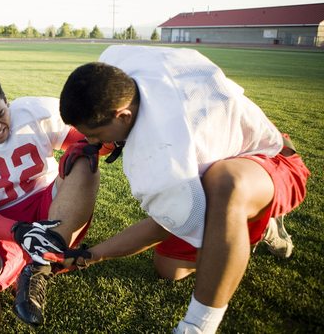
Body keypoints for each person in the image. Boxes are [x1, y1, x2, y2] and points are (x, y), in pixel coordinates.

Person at [52, 45, 310, 333]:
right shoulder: (120, 68)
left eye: (95, 134)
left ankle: (197, 326)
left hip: (271, 159)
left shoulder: (166, 153)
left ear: (123, 116)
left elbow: (162, 225)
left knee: (225, 183)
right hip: (215, 154)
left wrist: (97, 253)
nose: (91, 141)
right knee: (169, 269)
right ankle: (254, 224)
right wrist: (94, 254)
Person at [0, 73, 107, 333]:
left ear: (7, 101)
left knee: (84, 160)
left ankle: (41, 260)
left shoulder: (34, 112)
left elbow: (92, 142)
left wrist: (103, 141)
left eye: (0, 114)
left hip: (52, 205)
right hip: (3, 219)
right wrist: (17, 231)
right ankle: (37, 257)